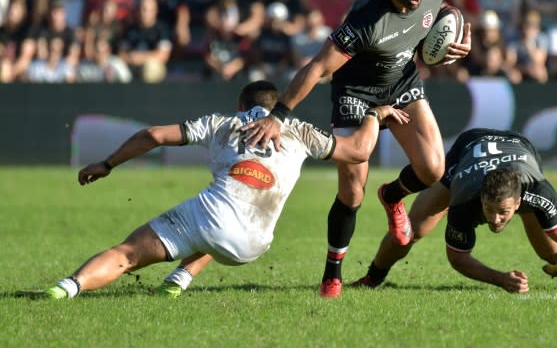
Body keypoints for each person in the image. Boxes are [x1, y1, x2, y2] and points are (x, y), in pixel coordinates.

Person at [20, 80, 408, 299]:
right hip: (255, 245)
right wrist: (375, 114)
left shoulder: (222, 124)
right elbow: (358, 150)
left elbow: (153, 135)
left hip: (212, 219)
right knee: (218, 215)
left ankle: (65, 288)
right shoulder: (300, 132)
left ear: (241, 105)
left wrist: (107, 164)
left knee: (127, 254)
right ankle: (180, 278)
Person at [241, 0, 472, 298]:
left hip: (402, 83)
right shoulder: (366, 17)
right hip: (356, 93)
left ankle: (393, 195)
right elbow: (318, 66)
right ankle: (332, 274)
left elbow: (434, 24)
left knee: (432, 169)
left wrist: (449, 48)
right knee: (351, 191)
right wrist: (279, 116)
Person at [352, 129, 557, 295]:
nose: (495, 220)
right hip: (469, 149)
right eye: (489, 209)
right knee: (411, 231)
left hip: (521, 150)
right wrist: (501, 279)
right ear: (481, 199)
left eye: (503, 212)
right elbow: (457, 258)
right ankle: (372, 278)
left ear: (518, 203)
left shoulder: (538, 191)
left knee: (550, 252)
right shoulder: (465, 200)